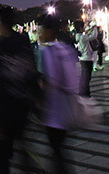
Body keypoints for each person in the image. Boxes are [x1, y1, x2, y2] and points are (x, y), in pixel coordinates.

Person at [0, 7, 39, 173]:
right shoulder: (25, 44)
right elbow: (33, 74)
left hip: (5, 111)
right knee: (23, 149)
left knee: (2, 158)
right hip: (24, 105)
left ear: (2, 24)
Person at [39, 14, 78, 174]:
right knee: (60, 149)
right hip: (68, 109)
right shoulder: (67, 49)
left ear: (49, 30)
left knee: (57, 151)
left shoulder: (48, 52)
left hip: (54, 111)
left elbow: (50, 80)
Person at [74, 20, 97, 96]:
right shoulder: (83, 37)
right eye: (83, 27)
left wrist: (90, 28)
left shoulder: (78, 36)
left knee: (83, 76)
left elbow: (87, 33)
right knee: (87, 77)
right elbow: (94, 36)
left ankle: (82, 91)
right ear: (80, 28)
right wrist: (94, 28)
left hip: (83, 58)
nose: (84, 28)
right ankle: (85, 92)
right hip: (87, 58)